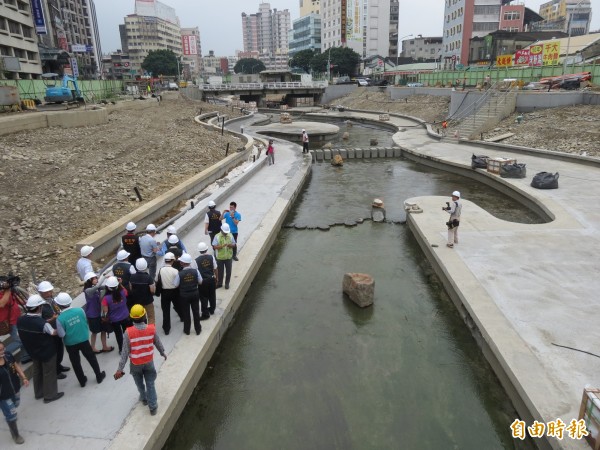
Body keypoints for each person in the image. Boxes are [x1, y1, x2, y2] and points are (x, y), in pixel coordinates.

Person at [114, 305, 167, 416]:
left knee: (139, 383)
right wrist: (162, 352)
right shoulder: (151, 329)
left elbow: (124, 352)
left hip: (135, 364)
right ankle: (153, 407)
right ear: (144, 317)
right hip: (148, 362)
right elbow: (158, 343)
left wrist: (120, 369)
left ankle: (144, 398)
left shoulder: (128, 333)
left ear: (132, 318)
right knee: (150, 384)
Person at [17, 295, 64, 404]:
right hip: (47, 352)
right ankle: (50, 395)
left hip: (32, 351)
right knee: (49, 372)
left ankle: (38, 393)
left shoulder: (20, 320)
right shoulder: (42, 323)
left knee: (37, 371)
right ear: (39, 308)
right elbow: (53, 332)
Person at [55, 293, 106, 388]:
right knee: (91, 358)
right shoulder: (80, 310)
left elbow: (61, 334)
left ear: (58, 305)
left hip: (70, 344)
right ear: (70, 301)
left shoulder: (59, 319)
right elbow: (84, 320)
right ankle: (99, 376)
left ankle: (82, 381)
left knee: (75, 363)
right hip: (83, 339)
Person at [37, 281, 69, 379]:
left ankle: (59, 365)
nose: (49, 293)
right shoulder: (40, 305)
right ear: (41, 293)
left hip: (57, 328)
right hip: (49, 331)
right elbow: (39, 321)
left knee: (60, 349)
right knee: (55, 351)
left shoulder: (52, 300)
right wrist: (52, 319)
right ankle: (56, 371)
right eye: (46, 292)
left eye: (50, 291)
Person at [0, 341, 29, 444]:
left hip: (15, 388)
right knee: (12, 415)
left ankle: (9, 416)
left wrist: (24, 377)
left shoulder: (8, 355)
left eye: (3, 349)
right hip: (3, 396)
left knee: (16, 404)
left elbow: (15, 365)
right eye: (0, 350)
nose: (2, 352)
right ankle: (15, 435)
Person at [83, 272, 113, 354]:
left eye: (96, 278)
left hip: (99, 313)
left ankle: (104, 346)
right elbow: (98, 286)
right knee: (94, 332)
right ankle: (92, 347)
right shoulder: (88, 290)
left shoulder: (96, 288)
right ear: (89, 280)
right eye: (95, 278)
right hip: (92, 315)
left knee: (103, 330)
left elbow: (105, 287)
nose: (96, 280)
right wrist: (104, 277)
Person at [0, 279, 28, 364]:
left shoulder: (6, 292)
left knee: (23, 337)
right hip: (7, 322)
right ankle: (3, 353)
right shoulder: (5, 293)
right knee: (19, 341)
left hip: (15, 319)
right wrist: (8, 290)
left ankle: (25, 356)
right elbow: (2, 304)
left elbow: (16, 301)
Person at [174, 254, 203, 335]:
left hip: (184, 295)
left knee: (186, 313)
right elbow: (200, 281)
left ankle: (187, 330)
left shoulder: (180, 274)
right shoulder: (196, 271)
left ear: (182, 263)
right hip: (195, 293)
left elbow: (175, 284)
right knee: (196, 312)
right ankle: (198, 329)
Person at [101, 276, 131, 354]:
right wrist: (120, 283)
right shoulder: (123, 292)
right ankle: (130, 347)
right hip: (125, 316)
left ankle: (121, 349)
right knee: (127, 333)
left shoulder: (106, 298)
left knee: (118, 335)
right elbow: (126, 291)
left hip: (114, 320)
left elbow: (105, 310)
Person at [156, 253, 180, 335]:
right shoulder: (175, 271)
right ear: (172, 260)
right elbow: (178, 283)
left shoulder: (160, 270)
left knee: (166, 311)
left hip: (164, 293)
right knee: (177, 305)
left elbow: (156, 280)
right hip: (174, 292)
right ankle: (182, 317)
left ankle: (166, 329)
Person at [129, 258, 156, 324]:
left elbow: (131, 288)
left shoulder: (132, 277)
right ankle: (151, 332)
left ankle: (142, 331)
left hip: (137, 301)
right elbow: (152, 290)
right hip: (148, 300)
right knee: (151, 317)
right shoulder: (148, 277)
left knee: (140, 317)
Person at [196, 243, 218, 317]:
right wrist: (216, 278)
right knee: (212, 295)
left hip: (203, 281)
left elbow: (196, 272)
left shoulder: (196, 260)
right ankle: (212, 309)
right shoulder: (211, 257)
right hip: (211, 279)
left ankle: (205, 313)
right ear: (206, 249)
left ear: (199, 251)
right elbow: (215, 268)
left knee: (203, 297)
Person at [212, 223, 236, 289]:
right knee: (220, 271)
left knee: (228, 271)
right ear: (221, 230)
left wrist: (230, 245)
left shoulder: (230, 235)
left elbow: (234, 244)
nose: (226, 233)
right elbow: (214, 246)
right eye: (225, 232)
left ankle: (227, 283)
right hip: (220, 258)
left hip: (228, 257)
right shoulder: (217, 236)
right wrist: (221, 246)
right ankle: (219, 283)